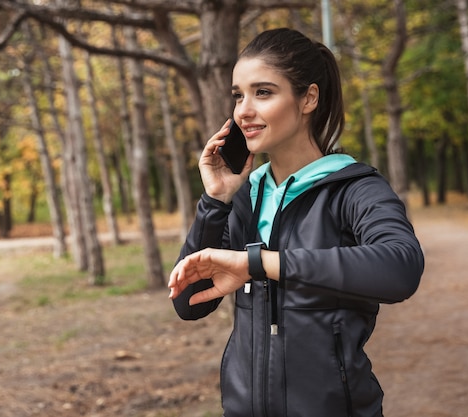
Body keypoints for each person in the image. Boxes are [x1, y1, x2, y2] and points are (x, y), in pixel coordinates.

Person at [168, 28, 424, 417]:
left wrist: (261, 264)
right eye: (238, 95)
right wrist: (215, 199)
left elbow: (400, 267)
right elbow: (188, 303)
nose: (243, 110)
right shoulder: (243, 196)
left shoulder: (353, 188)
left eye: (263, 92)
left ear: (309, 98)